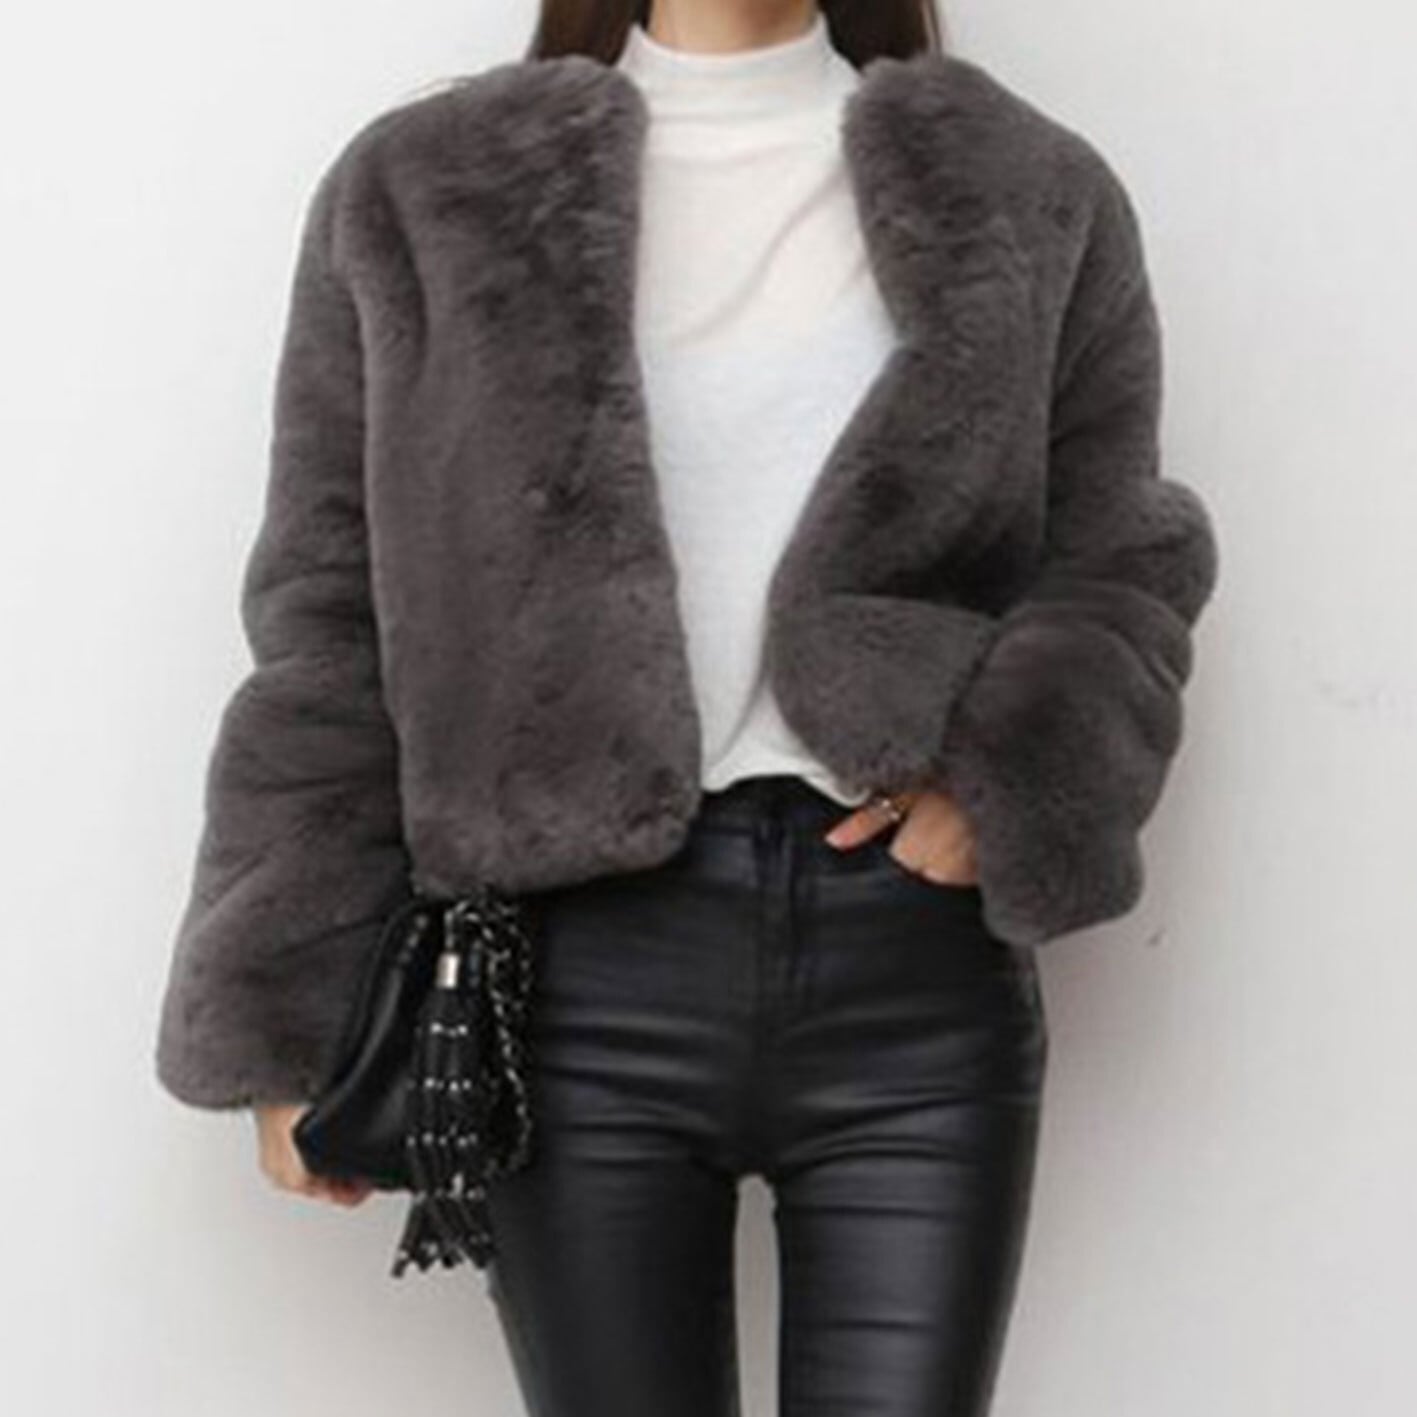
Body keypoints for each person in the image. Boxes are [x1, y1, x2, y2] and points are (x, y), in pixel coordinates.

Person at [154, 3, 1220, 1413]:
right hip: (575, 982)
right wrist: (288, 1019)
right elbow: (328, 613)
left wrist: (1004, 783)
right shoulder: (429, 189)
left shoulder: (1027, 188)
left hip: (911, 983)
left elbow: (1120, 556)